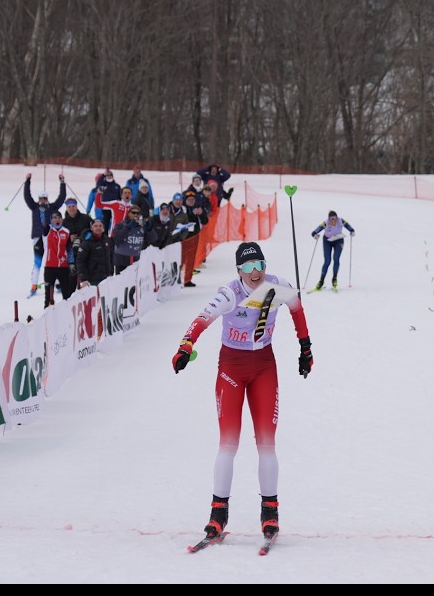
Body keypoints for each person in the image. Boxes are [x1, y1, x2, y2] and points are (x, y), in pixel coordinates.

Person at [172, 242, 313, 543]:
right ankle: (217, 515)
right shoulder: (230, 294)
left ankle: (270, 512)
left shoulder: (277, 285)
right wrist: (186, 346)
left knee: (266, 443)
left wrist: (305, 348)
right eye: (248, 268)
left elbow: (298, 310)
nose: (255, 273)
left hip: (264, 367)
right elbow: (201, 320)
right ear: (238, 271)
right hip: (232, 369)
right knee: (228, 444)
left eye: (259, 265)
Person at [24, 174, 67, 298]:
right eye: (41, 198)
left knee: (54, 259)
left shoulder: (52, 207)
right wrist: (27, 182)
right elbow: (27, 196)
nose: (43, 200)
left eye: (44, 198)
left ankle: (58, 284)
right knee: (37, 262)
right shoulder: (34, 207)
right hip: (37, 236)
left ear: (47, 198)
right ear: (39, 199)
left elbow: (61, 197)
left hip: (49, 237)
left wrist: (62, 183)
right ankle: (34, 285)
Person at [310, 210, 355, 291]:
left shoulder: (341, 221)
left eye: (334, 218)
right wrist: (314, 234)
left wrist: (352, 231)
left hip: (339, 240)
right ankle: (321, 281)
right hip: (327, 241)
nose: (333, 220)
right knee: (327, 261)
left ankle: (334, 279)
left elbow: (349, 227)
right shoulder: (326, 223)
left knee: (336, 259)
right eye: (331, 219)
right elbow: (315, 231)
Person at [41, 211, 74, 307]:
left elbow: (69, 249)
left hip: (63, 266)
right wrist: (43, 211)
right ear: (51, 220)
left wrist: (71, 263)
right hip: (49, 266)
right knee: (48, 294)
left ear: (62, 219)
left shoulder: (66, 232)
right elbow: (43, 222)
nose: (57, 220)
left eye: (59, 217)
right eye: (54, 218)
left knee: (66, 293)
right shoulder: (48, 230)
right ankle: (47, 314)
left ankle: (67, 312)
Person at [73, 220, 114, 289]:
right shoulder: (87, 242)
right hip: (91, 280)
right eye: (95, 226)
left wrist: (111, 272)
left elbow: (111, 257)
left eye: (100, 226)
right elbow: (80, 261)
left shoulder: (107, 240)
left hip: (106, 278)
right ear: (91, 228)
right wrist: (83, 279)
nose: (98, 228)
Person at [111, 205, 146, 274]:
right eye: (133, 213)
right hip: (122, 260)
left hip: (136, 260)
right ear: (128, 214)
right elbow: (116, 239)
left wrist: (150, 229)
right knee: (121, 283)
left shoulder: (142, 226)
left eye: (138, 213)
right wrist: (128, 227)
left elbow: (153, 239)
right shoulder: (120, 225)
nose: (135, 215)